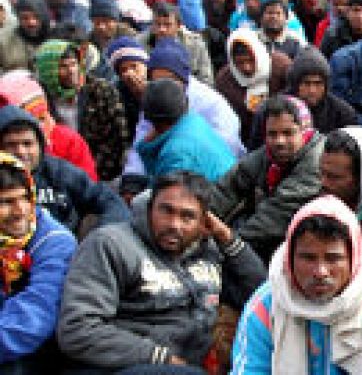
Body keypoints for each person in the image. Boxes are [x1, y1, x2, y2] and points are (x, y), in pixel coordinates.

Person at [57, 171, 265, 373]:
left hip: (188, 364)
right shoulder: (110, 244)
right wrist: (159, 358)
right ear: (149, 209)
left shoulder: (209, 250)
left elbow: (262, 298)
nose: (174, 224)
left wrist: (228, 240)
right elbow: (77, 329)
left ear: (204, 223)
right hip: (119, 366)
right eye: (166, 211)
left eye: (187, 217)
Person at [231, 195, 362, 373]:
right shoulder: (266, 304)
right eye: (308, 258)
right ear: (290, 258)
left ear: (353, 259)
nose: (320, 272)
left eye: (333, 258)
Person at [210, 95, 326, 262]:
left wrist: (227, 245)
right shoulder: (269, 155)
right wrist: (199, 220)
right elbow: (229, 186)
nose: (279, 141)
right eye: (272, 134)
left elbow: (270, 220)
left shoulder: (316, 162)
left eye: (288, 133)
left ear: (304, 131)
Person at [0, 152, 76, 373]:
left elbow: (33, 319)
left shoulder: (54, 241)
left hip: (34, 350)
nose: (20, 211)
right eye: (5, 202)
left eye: (25, 197)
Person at [0, 105, 128, 233]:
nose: (21, 152)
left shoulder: (60, 172)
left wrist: (99, 237)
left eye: (27, 144)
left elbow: (110, 202)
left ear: (40, 145)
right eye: (11, 145)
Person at [33, 39, 130, 181]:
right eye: (63, 67)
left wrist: (87, 174)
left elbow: (118, 139)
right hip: (54, 173)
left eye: (74, 64)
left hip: (101, 172)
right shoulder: (38, 98)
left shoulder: (101, 91)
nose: (71, 71)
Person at [0, 71, 99, 180]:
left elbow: (88, 188)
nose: (21, 151)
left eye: (41, 118)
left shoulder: (68, 141)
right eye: (11, 144)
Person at [135, 79, 236, 183]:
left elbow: (171, 196)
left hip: (218, 197)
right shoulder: (194, 120)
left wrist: (146, 148)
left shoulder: (176, 153)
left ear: (149, 119)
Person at [215, 28, 292, 143]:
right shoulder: (225, 81)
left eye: (250, 60)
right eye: (240, 63)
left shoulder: (281, 66)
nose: (246, 68)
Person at [138, 2, 215, 86]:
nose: (161, 29)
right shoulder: (140, 44)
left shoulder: (194, 44)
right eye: (157, 24)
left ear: (178, 26)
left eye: (167, 25)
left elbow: (206, 79)